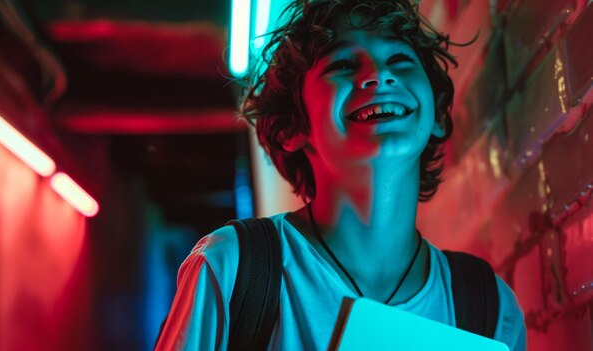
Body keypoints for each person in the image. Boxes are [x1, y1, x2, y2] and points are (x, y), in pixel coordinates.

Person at [155, 0, 526, 350]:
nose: (380, 75)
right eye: (343, 65)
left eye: (399, 59)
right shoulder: (232, 268)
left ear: (438, 118)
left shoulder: (488, 308)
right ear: (291, 130)